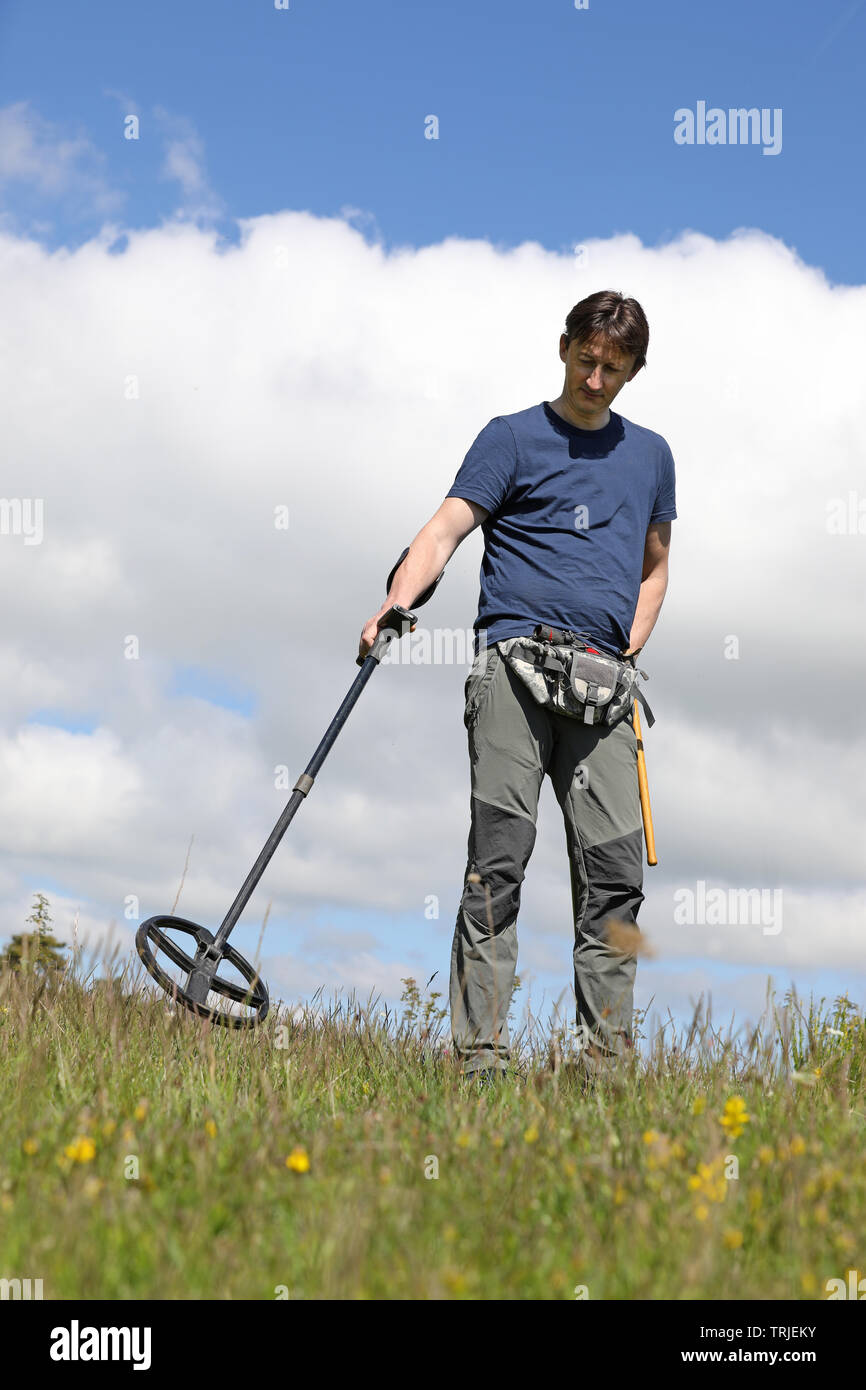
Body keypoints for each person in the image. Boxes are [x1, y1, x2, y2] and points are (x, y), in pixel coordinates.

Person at [359, 290, 676, 1081]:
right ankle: (481, 1060)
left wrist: (629, 647)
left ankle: (606, 1071)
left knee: (615, 877)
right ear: (563, 346)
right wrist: (396, 603)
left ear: (634, 371)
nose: (595, 379)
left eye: (614, 367)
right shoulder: (511, 438)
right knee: (498, 863)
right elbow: (444, 530)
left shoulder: (651, 457)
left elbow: (657, 565)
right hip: (513, 667)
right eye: (586, 359)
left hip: (603, 690)